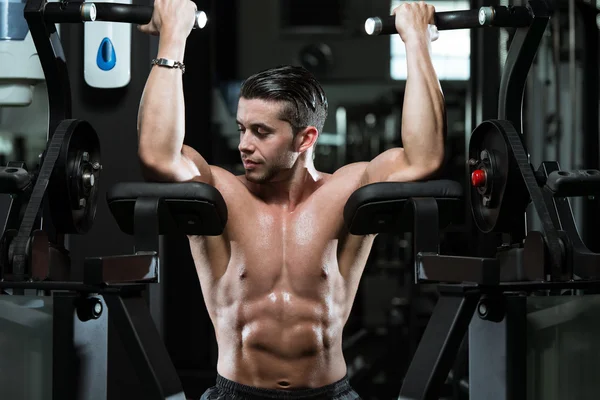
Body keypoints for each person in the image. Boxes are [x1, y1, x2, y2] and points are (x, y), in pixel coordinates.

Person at [137, 1, 445, 398]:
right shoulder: (219, 191)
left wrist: (416, 40)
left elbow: (424, 158)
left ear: (305, 138)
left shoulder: (347, 191)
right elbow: (157, 156)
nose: (244, 145)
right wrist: (173, 37)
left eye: (261, 132)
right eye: (242, 128)